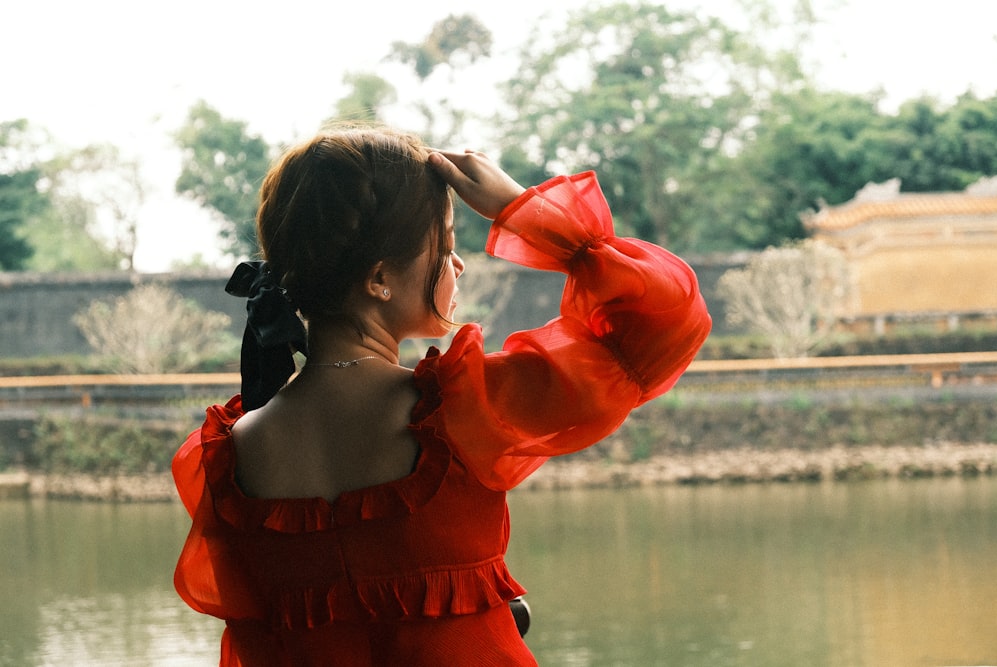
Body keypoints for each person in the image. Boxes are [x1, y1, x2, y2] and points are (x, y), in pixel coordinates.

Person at [172, 126, 712, 666]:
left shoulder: (227, 456)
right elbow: (664, 323)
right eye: (447, 245)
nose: (457, 265)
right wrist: (522, 210)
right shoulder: (457, 411)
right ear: (379, 277)